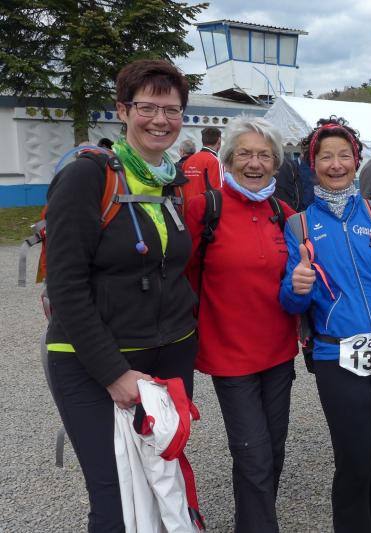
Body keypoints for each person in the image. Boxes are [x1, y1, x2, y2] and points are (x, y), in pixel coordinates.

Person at [44, 59, 197, 531]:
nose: (160, 120)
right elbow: (65, 285)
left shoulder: (171, 181)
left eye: (171, 110)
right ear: (123, 110)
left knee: (162, 483)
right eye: (147, 107)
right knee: (117, 498)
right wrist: (113, 373)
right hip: (91, 363)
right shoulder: (88, 177)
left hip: (168, 355)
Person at [279, 116, 371, 533]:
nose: (336, 164)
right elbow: (293, 303)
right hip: (337, 356)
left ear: (357, 160)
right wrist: (296, 287)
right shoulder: (299, 225)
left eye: (344, 155)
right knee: (355, 463)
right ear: (313, 163)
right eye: (327, 156)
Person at [184, 116, 296, 532]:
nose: (254, 163)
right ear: (228, 160)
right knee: (253, 454)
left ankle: (251, 521)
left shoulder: (282, 213)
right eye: (245, 154)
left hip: (278, 353)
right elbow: (180, 276)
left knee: (273, 452)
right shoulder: (204, 210)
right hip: (230, 356)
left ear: (275, 164)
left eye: (264, 155)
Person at [182, 126, 223, 199]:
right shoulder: (214, 161)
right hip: (205, 205)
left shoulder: (188, 161)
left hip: (187, 205)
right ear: (219, 141)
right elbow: (220, 191)